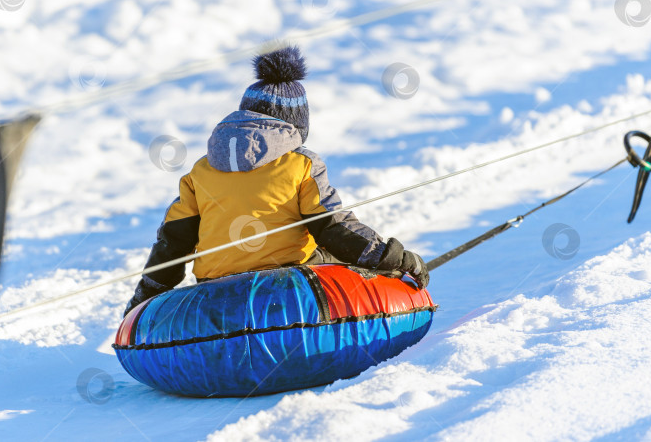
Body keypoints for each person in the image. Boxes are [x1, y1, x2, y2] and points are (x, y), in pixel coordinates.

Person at [123, 44, 430, 316]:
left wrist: (143, 301)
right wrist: (396, 259)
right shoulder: (302, 163)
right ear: (297, 124)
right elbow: (335, 228)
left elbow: (172, 245)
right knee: (336, 257)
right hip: (289, 284)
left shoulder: (200, 171)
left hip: (215, 287)